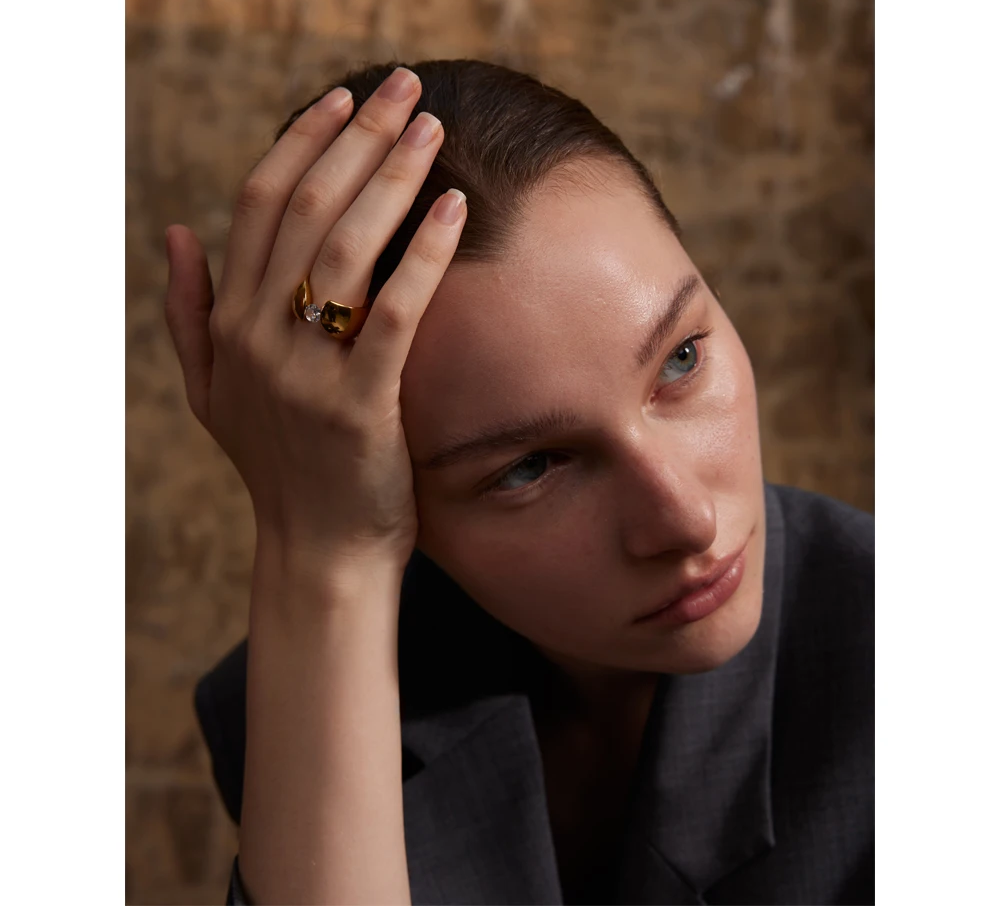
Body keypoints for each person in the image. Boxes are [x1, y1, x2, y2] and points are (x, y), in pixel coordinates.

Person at [166, 60, 874, 905]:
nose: (684, 518)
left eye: (681, 359)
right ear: (385, 488)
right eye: (529, 468)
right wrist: (322, 554)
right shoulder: (310, 688)